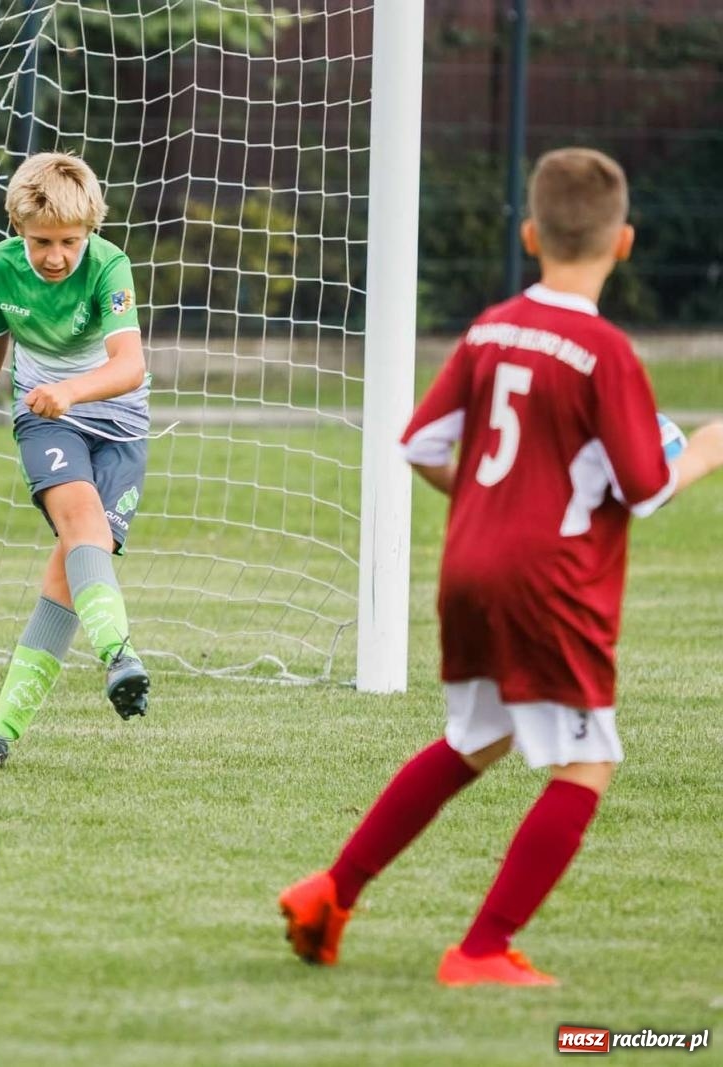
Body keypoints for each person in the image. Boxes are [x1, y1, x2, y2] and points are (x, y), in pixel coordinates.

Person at [278, 148, 723, 985]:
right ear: (624, 243)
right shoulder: (604, 352)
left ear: (528, 234)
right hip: (547, 582)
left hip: (468, 566)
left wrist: (496, 501)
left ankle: (330, 891)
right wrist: (703, 450)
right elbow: (644, 484)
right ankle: (482, 948)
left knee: (478, 735)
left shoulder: (488, 328)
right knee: (588, 760)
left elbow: (419, 445)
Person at [0, 151, 150, 773]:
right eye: (42, 241)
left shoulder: (109, 266)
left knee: (66, 577)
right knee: (82, 529)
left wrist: (72, 388)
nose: (56, 256)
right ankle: (118, 653)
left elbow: (130, 366)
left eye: (70, 241)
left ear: (89, 232)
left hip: (118, 428)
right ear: (19, 228)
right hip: (44, 421)